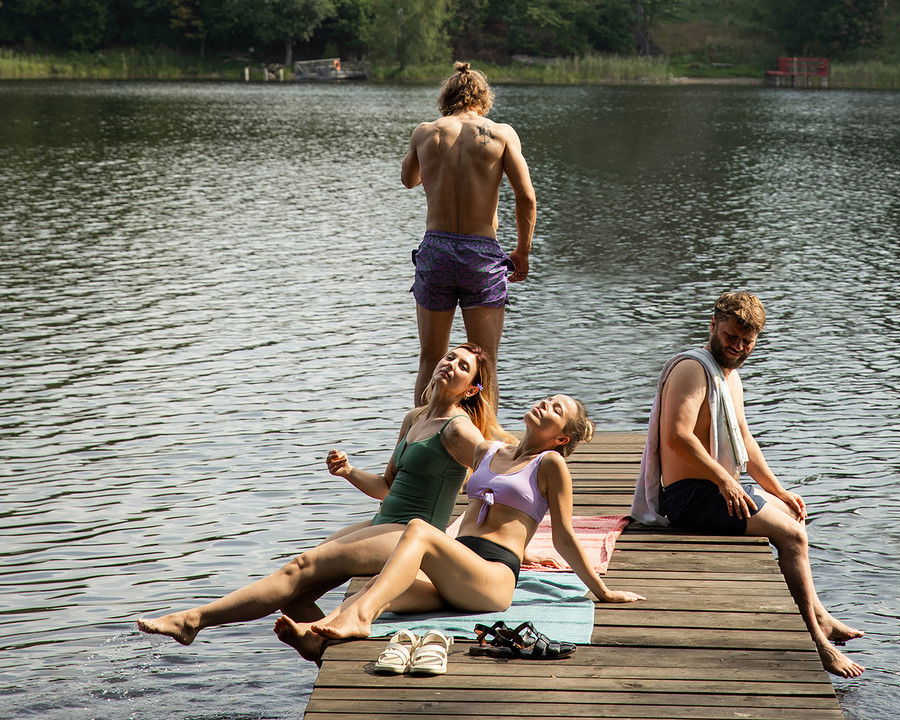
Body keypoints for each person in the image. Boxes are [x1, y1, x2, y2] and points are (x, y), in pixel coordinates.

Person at [136, 343, 500, 649]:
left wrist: (475, 525)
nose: (451, 364)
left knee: (300, 567)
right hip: (384, 521)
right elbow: (386, 487)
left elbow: (495, 468)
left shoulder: (457, 429)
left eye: (463, 366)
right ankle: (318, 645)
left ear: (470, 390)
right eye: (450, 357)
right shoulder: (415, 418)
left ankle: (194, 619)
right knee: (296, 594)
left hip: (408, 534)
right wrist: (349, 471)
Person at [276, 394, 644, 653]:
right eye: (546, 399)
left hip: (492, 577)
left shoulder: (550, 463)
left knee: (419, 529)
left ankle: (356, 620)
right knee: (382, 586)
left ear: (561, 437)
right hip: (458, 569)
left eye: (556, 408)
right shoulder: (490, 450)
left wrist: (602, 592)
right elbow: (445, 450)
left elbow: (564, 537)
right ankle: (315, 635)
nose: (545, 404)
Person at [630, 292, 865, 678]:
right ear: (713, 326)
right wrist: (726, 480)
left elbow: (744, 440)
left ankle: (820, 616)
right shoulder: (692, 369)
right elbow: (677, 436)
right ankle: (816, 641)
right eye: (731, 337)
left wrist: (778, 489)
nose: (738, 347)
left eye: (747, 341)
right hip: (690, 496)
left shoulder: (730, 376)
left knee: (791, 512)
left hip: (713, 489)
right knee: (792, 536)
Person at [404, 61, 536, 406]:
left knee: (431, 359)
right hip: (482, 253)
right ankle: (484, 437)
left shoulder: (425, 132)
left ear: (446, 98)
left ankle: (419, 435)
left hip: (436, 249)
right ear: (483, 99)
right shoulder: (501, 134)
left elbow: (409, 179)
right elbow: (526, 197)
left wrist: (437, 165)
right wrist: (522, 251)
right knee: (485, 362)